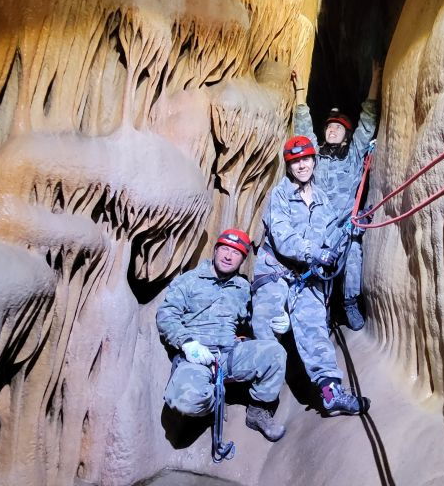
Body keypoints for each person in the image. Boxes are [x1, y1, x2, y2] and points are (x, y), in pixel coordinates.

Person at [251, 136, 370, 416]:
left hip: (306, 277)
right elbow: (282, 237)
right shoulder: (279, 195)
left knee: (315, 327)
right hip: (275, 274)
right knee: (266, 330)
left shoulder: (323, 198)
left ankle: (331, 393)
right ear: (288, 166)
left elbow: (331, 234)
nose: (301, 166)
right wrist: (315, 252)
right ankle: (259, 407)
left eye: (305, 159)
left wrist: (352, 229)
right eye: (295, 162)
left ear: (314, 161)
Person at [157, 229, 287, 441]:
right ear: (215, 251)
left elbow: (252, 320)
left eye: (235, 253)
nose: (228, 256)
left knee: (275, 353)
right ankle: (211, 402)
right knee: (185, 401)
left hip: (229, 355)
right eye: (225, 249)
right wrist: (188, 343)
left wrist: (279, 323)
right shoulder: (189, 280)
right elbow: (166, 316)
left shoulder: (243, 287)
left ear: (243, 259)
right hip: (196, 357)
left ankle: (258, 412)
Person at [289, 61, 381, 330]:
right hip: (317, 228)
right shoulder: (314, 158)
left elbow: (367, 122)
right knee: (312, 264)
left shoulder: (352, 157)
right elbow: (304, 129)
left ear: (345, 136)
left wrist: (375, 80)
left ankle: (350, 303)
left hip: (344, 227)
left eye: (338, 128)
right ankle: (321, 311)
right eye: (329, 127)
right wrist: (299, 91)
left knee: (353, 255)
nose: (332, 130)